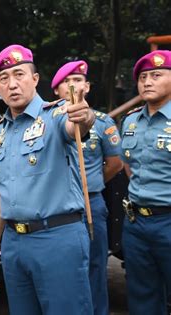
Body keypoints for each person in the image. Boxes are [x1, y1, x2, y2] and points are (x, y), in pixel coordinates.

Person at [0, 44, 96, 314]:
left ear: (35, 79)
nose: (12, 84)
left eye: (19, 74)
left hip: (57, 238)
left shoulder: (56, 115)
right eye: (4, 79)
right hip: (14, 245)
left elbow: (77, 123)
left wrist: (84, 115)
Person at [51, 60, 123, 315]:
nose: (73, 85)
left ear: (87, 86)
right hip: (57, 208)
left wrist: (90, 183)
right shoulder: (44, 124)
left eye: (78, 80)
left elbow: (115, 163)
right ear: (56, 90)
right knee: (61, 270)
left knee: (94, 266)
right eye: (66, 82)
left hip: (91, 203)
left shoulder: (103, 122)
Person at [120, 49, 171, 315]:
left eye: (156, 75)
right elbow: (130, 167)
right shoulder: (130, 121)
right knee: (142, 297)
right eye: (142, 77)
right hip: (137, 223)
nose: (147, 82)